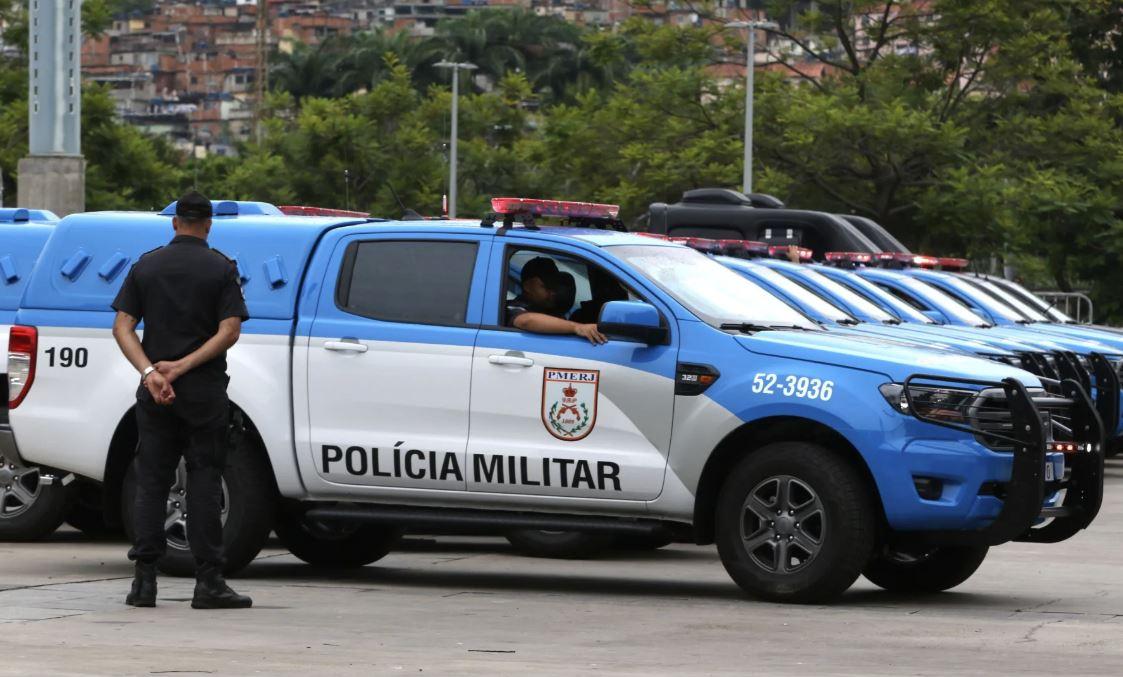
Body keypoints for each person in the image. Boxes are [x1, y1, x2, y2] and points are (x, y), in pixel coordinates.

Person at [110, 191, 252, 610]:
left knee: (152, 481)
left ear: (174, 223)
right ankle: (208, 582)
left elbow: (122, 326)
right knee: (205, 480)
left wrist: (152, 372)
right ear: (208, 225)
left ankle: (143, 583)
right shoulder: (221, 268)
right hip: (204, 393)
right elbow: (229, 331)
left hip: (155, 394)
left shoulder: (147, 265)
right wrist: (182, 367)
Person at [507, 256, 607, 345]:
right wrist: (578, 327)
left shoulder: (552, 311)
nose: (553, 292)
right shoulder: (512, 306)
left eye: (555, 286)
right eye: (547, 286)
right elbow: (526, 320)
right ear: (528, 286)